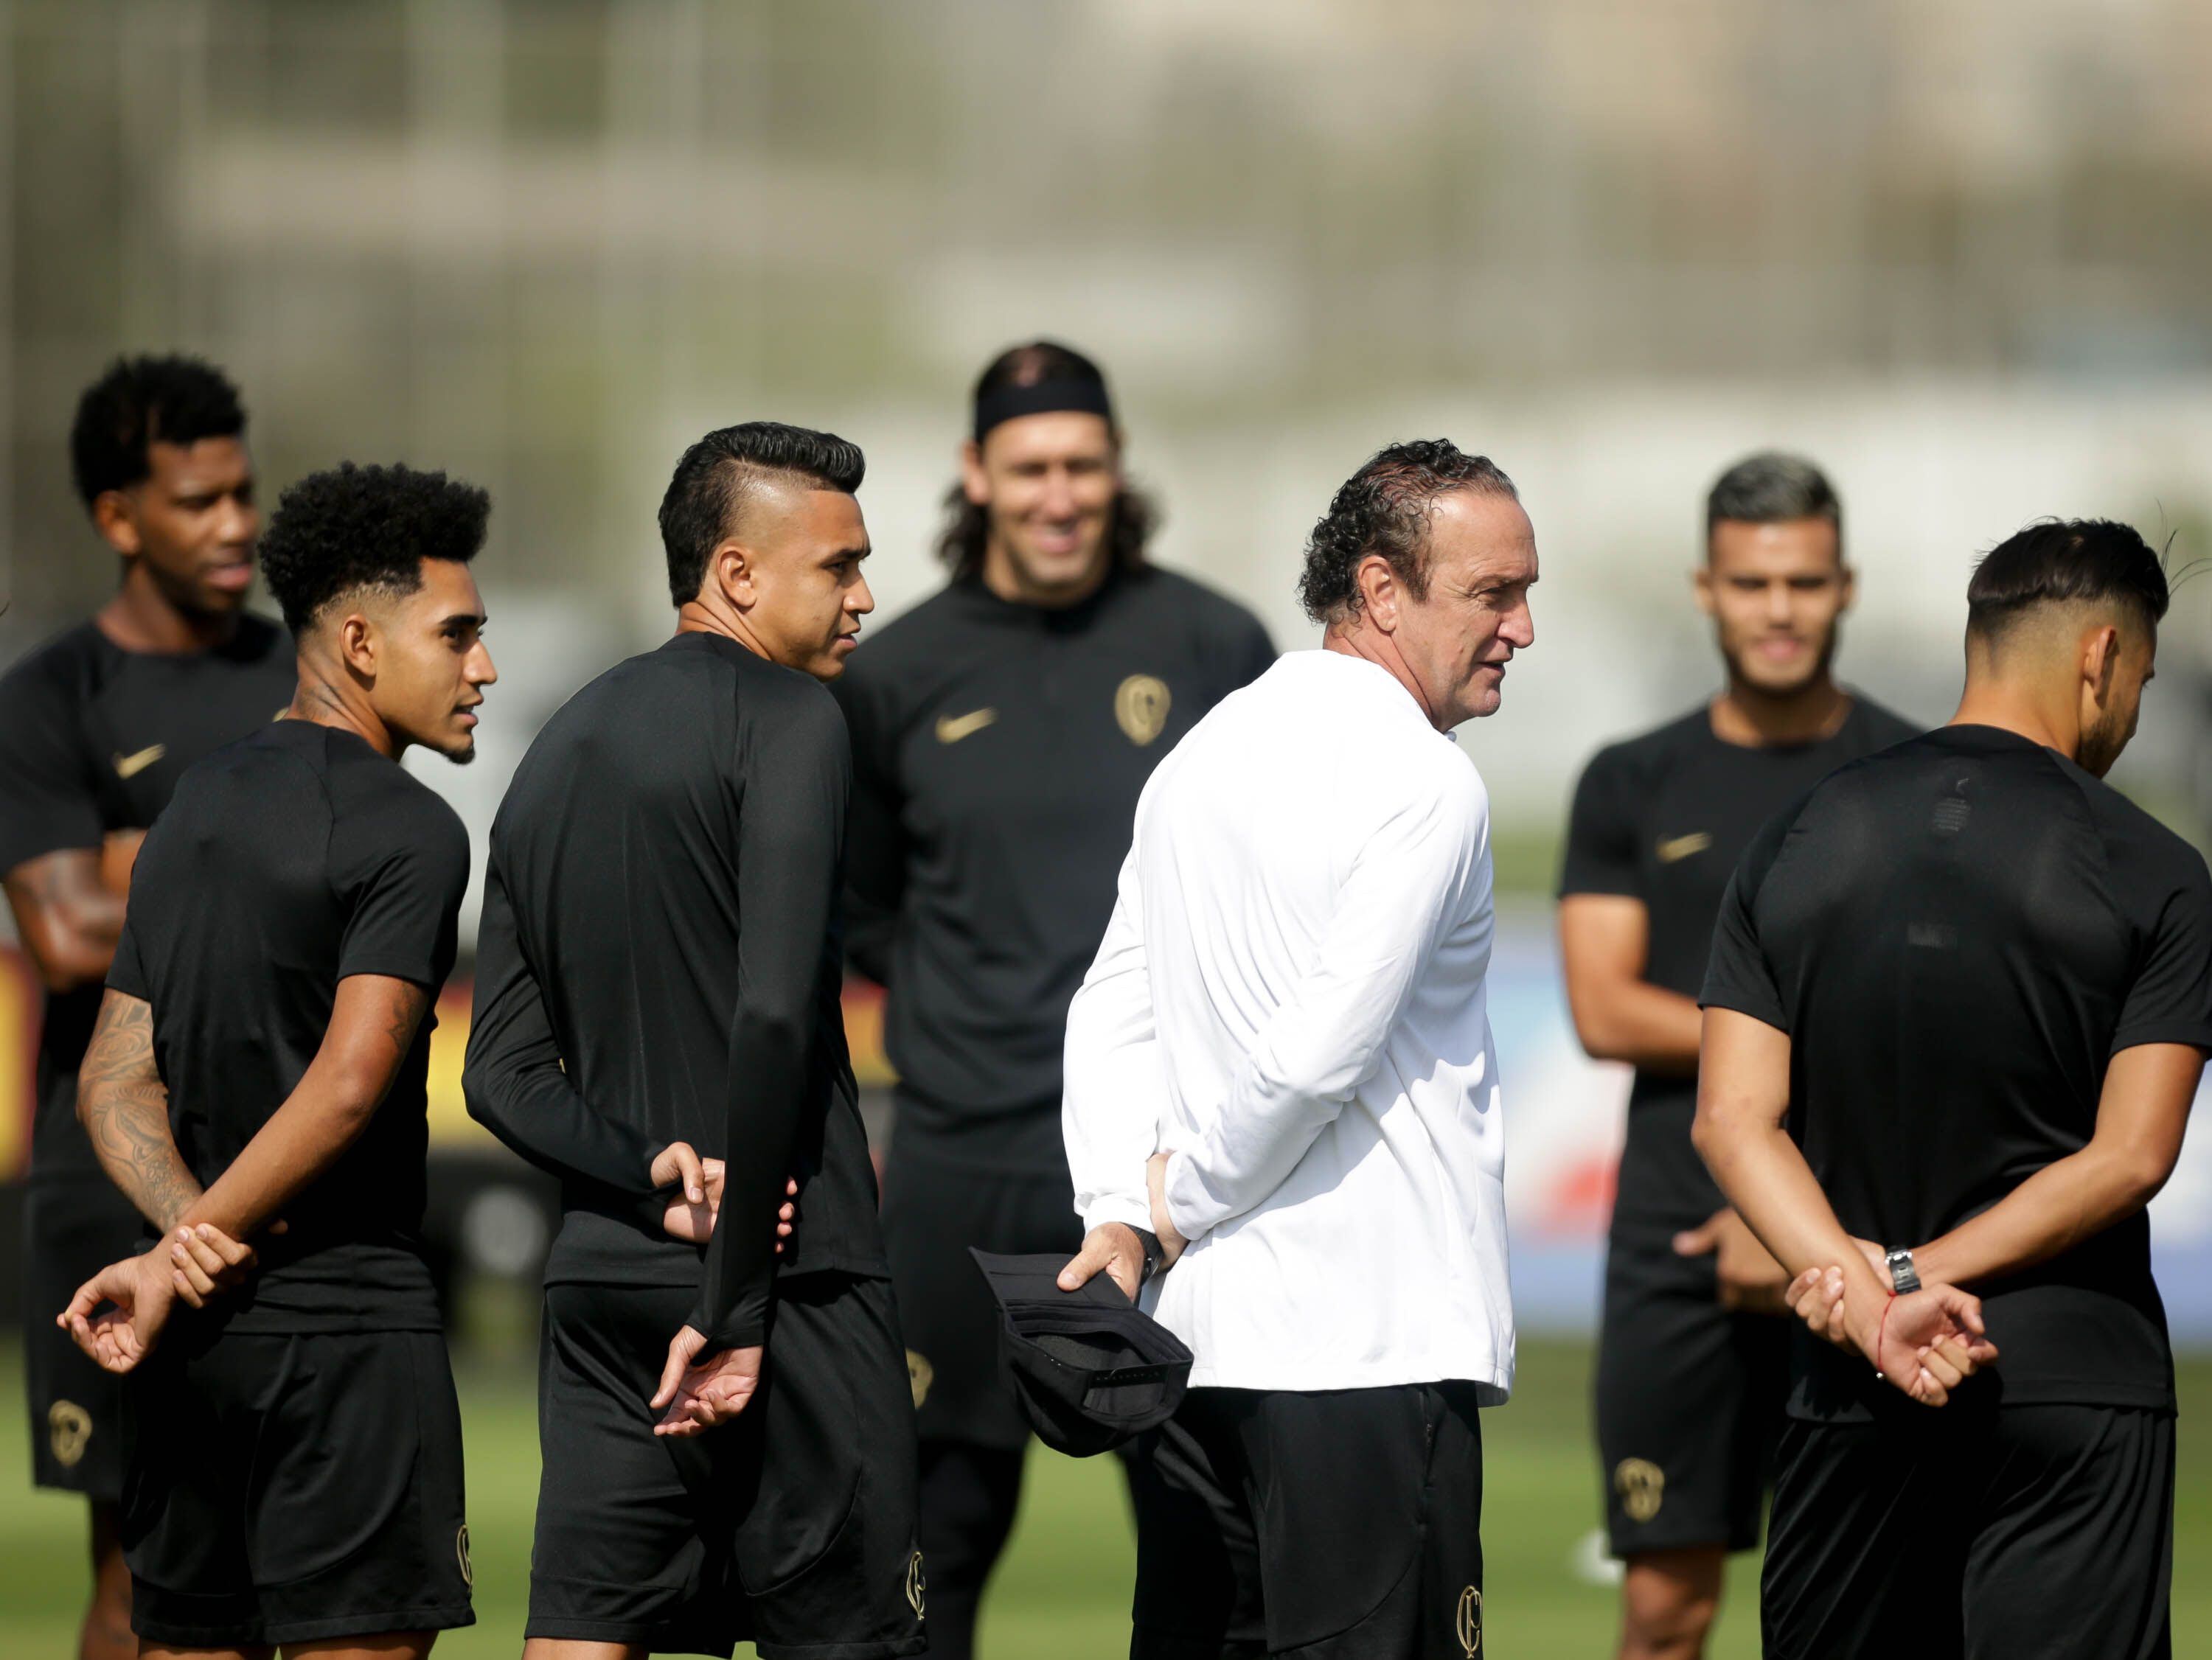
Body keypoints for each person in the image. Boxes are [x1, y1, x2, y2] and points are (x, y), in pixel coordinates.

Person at [830, 339, 1273, 1659]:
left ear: (1118, 466)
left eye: (1083, 462)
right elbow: (861, 905)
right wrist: (971, 1011)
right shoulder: (894, 673)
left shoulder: (1212, 642)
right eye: (1030, 467)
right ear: (977, 474)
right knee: (935, 1539)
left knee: (1206, 1536)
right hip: (967, 1158)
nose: (1060, 494)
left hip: (1171, 1172)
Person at [1694, 518, 2205, 1659]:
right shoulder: (2157, 869)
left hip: (1848, 1387)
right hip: (2072, 1387)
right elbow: (2129, 1157)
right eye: (2142, 684)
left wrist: (1868, 1299)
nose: (2129, 718)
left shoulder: (1795, 835)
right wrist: (1923, 1277)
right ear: (2102, 657)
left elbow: (1733, 1120)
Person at [1061, 439, 1534, 1659]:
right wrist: (1171, 1207)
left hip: (1203, 1355)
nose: (1523, 627)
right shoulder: (1428, 783)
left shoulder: (1204, 750)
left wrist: (1120, 1207)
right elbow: (1319, 1058)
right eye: (1494, 594)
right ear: (1381, 592)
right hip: (1369, 1356)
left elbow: (1111, 1005)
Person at [462, 422, 925, 1660]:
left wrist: (650, 1169)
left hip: (608, 1279)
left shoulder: (551, 754)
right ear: (735, 574)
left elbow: (496, 1074)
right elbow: (773, 1013)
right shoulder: (792, 719)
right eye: (839, 565)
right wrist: (736, 1297)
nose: (865, 595)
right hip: (786, 1283)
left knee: (582, 1639)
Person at [58, 461, 498, 1657]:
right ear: (358, 640)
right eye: (457, 635)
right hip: (347, 1338)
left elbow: (111, 1076)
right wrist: (189, 1260)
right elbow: (351, 1084)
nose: (485, 670)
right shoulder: (412, 829)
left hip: (195, 1345)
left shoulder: (192, 804)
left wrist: (184, 1247)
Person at [1556, 453, 1916, 1659]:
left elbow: (1932, 1012)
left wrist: (1794, 1222)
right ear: (1707, 588)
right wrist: (1784, 1059)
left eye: (1806, 582)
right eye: (1754, 583)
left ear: (1845, 586)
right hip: (1671, 1235)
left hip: (1868, 1232)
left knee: (1872, 1603)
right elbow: (1604, 1010)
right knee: (1666, 1608)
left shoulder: (1916, 773)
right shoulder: (1632, 779)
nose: (1780, 610)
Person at [0, 355, 293, 1660]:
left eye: (244, 493)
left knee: (301, 1568)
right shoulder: (49, 698)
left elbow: (374, 896)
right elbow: (61, 937)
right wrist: (247, 869)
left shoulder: (308, 674)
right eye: (198, 501)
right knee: (138, 1576)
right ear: (120, 517)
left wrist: (142, 856)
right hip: (102, 1178)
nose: (237, 526)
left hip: (283, 1172)